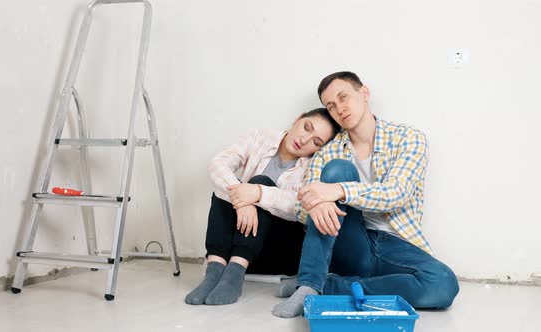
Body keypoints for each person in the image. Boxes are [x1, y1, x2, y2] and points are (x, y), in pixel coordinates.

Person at [272, 71, 460, 318]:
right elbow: (301, 207)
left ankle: (328, 285)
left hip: (395, 243)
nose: (339, 108)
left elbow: (397, 192)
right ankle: (309, 284)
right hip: (349, 242)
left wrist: (336, 190)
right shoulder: (328, 152)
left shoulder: (408, 138)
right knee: (339, 169)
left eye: (343, 97)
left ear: (364, 93)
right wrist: (317, 203)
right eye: (331, 106)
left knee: (444, 283)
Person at [185, 108, 340, 305]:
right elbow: (218, 163)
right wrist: (242, 197)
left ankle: (234, 275)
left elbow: (299, 208)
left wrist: (258, 193)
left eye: (316, 142)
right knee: (224, 186)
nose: (304, 140)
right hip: (238, 245)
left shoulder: (313, 165)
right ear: (298, 118)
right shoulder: (262, 137)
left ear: (319, 149)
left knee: (261, 182)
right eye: (306, 128)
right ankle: (214, 271)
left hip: (277, 253)